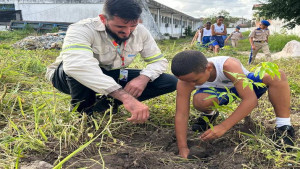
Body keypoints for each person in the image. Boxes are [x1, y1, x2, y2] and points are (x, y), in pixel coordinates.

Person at [45, 0, 178, 124]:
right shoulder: (82, 29)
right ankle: (83, 113)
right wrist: (127, 97)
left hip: (112, 73)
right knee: (80, 69)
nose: (127, 32)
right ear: (103, 19)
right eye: (120, 26)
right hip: (66, 77)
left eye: (133, 26)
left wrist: (144, 78)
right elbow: (78, 66)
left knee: (169, 81)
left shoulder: (141, 32)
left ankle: (105, 105)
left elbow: (159, 61)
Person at [171, 50, 295, 158]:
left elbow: (250, 100)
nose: (191, 85)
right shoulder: (185, 81)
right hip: (218, 93)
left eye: (195, 80)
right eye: (185, 81)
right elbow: (181, 114)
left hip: (244, 85)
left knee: (276, 75)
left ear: (208, 68)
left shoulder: (228, 65)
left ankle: (283, 127)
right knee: (200, 100)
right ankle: (210, 115)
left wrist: (223, 126)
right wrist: (182, 147)